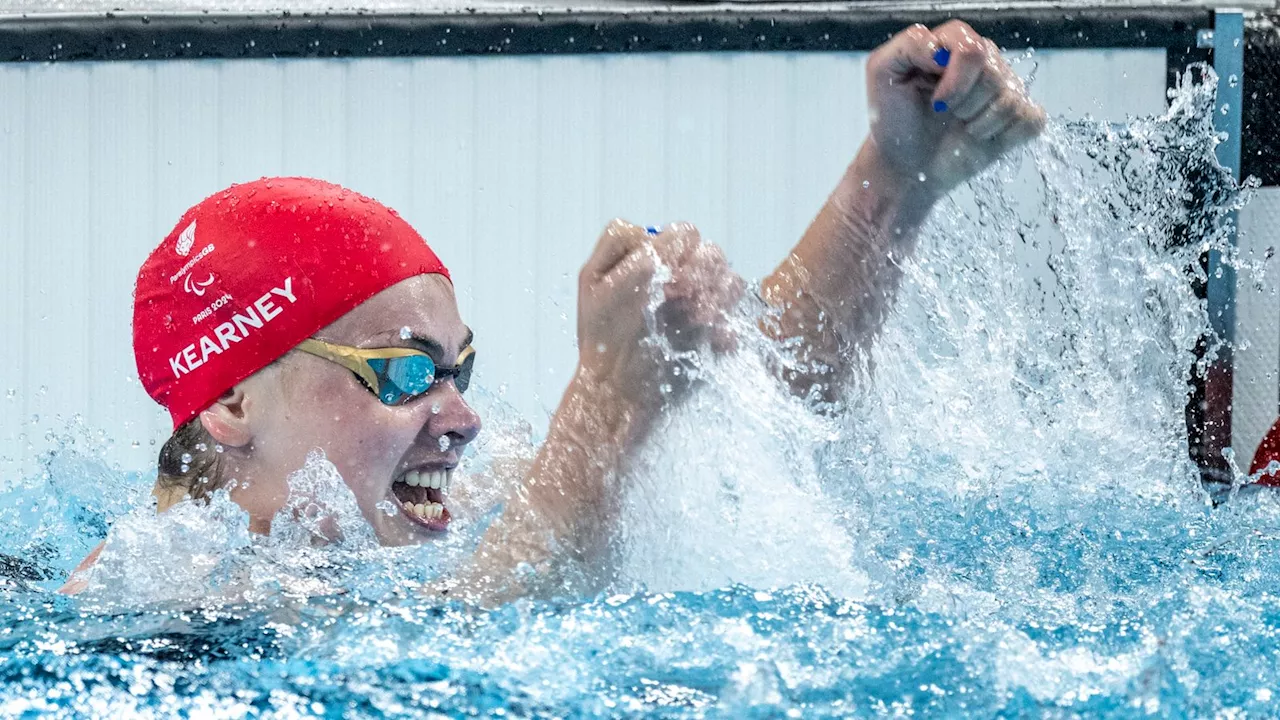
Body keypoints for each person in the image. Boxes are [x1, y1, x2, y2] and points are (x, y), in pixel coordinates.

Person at [60, 20, 1045, 599]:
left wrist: (891, 182)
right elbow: (439, 673)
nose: (461, 415)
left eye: (458, 370)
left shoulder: (454, 508)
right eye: (403, 373)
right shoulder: (151, 608)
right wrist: (610, 405)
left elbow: (768, 409)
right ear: (232, 400)